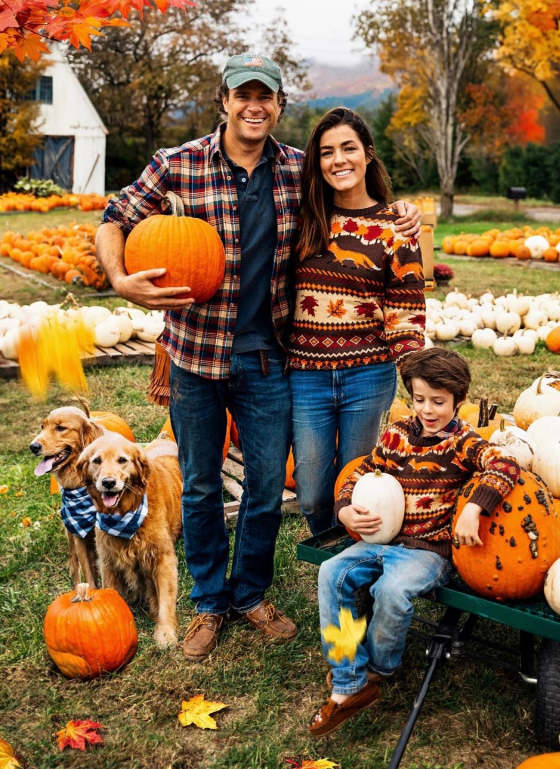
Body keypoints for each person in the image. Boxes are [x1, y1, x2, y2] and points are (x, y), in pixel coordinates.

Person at [95, 54, 422, 662]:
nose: (254, 106)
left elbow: (356, 195)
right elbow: (115, 217)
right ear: (224, 99)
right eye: (243, 95)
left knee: (267, 489)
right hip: (195, 355)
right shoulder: (179, 163)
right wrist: (119, 277)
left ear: (278, 105)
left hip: (270, 360)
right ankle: (208, 601)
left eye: (265, 97)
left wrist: (401, 212)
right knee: (198, 487)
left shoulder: (299, 168)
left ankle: (251, 594)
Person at [308, 347, 521, 736]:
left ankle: (379, 670)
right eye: (419, 399)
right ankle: (348, 677)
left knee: (393, 590)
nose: (427, 410)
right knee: (331, 573)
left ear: (459, 401)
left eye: (438, 402)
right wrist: (343, 509)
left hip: (429, 551)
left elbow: (506, 464)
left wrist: (475, 507)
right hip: (382, 539)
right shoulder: (397, 434)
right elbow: (363, 471)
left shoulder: (463, 442)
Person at [288, 107, 426, 536]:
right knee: (310, 490)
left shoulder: (396, 228)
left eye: (349, 148)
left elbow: (406, 310)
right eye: (327, 152)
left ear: (368, 154)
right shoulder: (303, 217)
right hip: (307, 374)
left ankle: (350, 567)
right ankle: (328, 539)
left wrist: (415, 374)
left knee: (361, 482)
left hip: (368, 374)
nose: (339, 160)